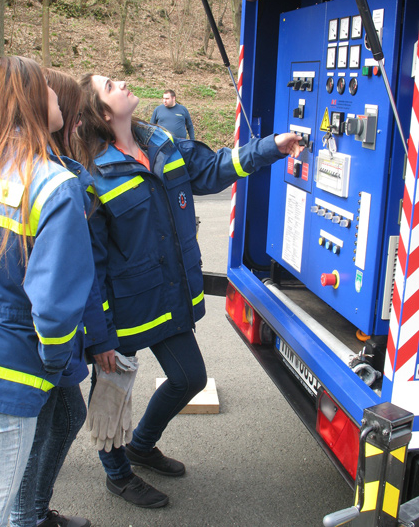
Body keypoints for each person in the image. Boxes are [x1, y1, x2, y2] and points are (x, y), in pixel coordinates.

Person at [76, 74, 304, 509]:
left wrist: (271, 146)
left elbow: (214, 169)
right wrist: (100, 337)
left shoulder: (161, 142)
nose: (122, 82)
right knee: (111, 396)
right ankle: (118, 475)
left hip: (165, 298)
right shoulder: (93, 176)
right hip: (123, 309)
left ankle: (141, 445)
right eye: (110, 85)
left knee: (189, 378)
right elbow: (92, 268)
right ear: (103, 113)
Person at [0, 57, 96, 527]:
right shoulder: (54, 185)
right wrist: (54, 364)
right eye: (50, 89)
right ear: (31, 101)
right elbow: (55, 310)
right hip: (7, 374)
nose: (59, 95)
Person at [9, 67, 118, 527]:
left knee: (67, 414)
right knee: (48, 424)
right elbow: (69, 279)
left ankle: (33, 511)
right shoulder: (56, 182)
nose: (73, 120)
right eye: (61, 104)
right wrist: (62, 353)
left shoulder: (63, 171)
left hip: (49, 339)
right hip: (40, 343)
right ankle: (26, 515)